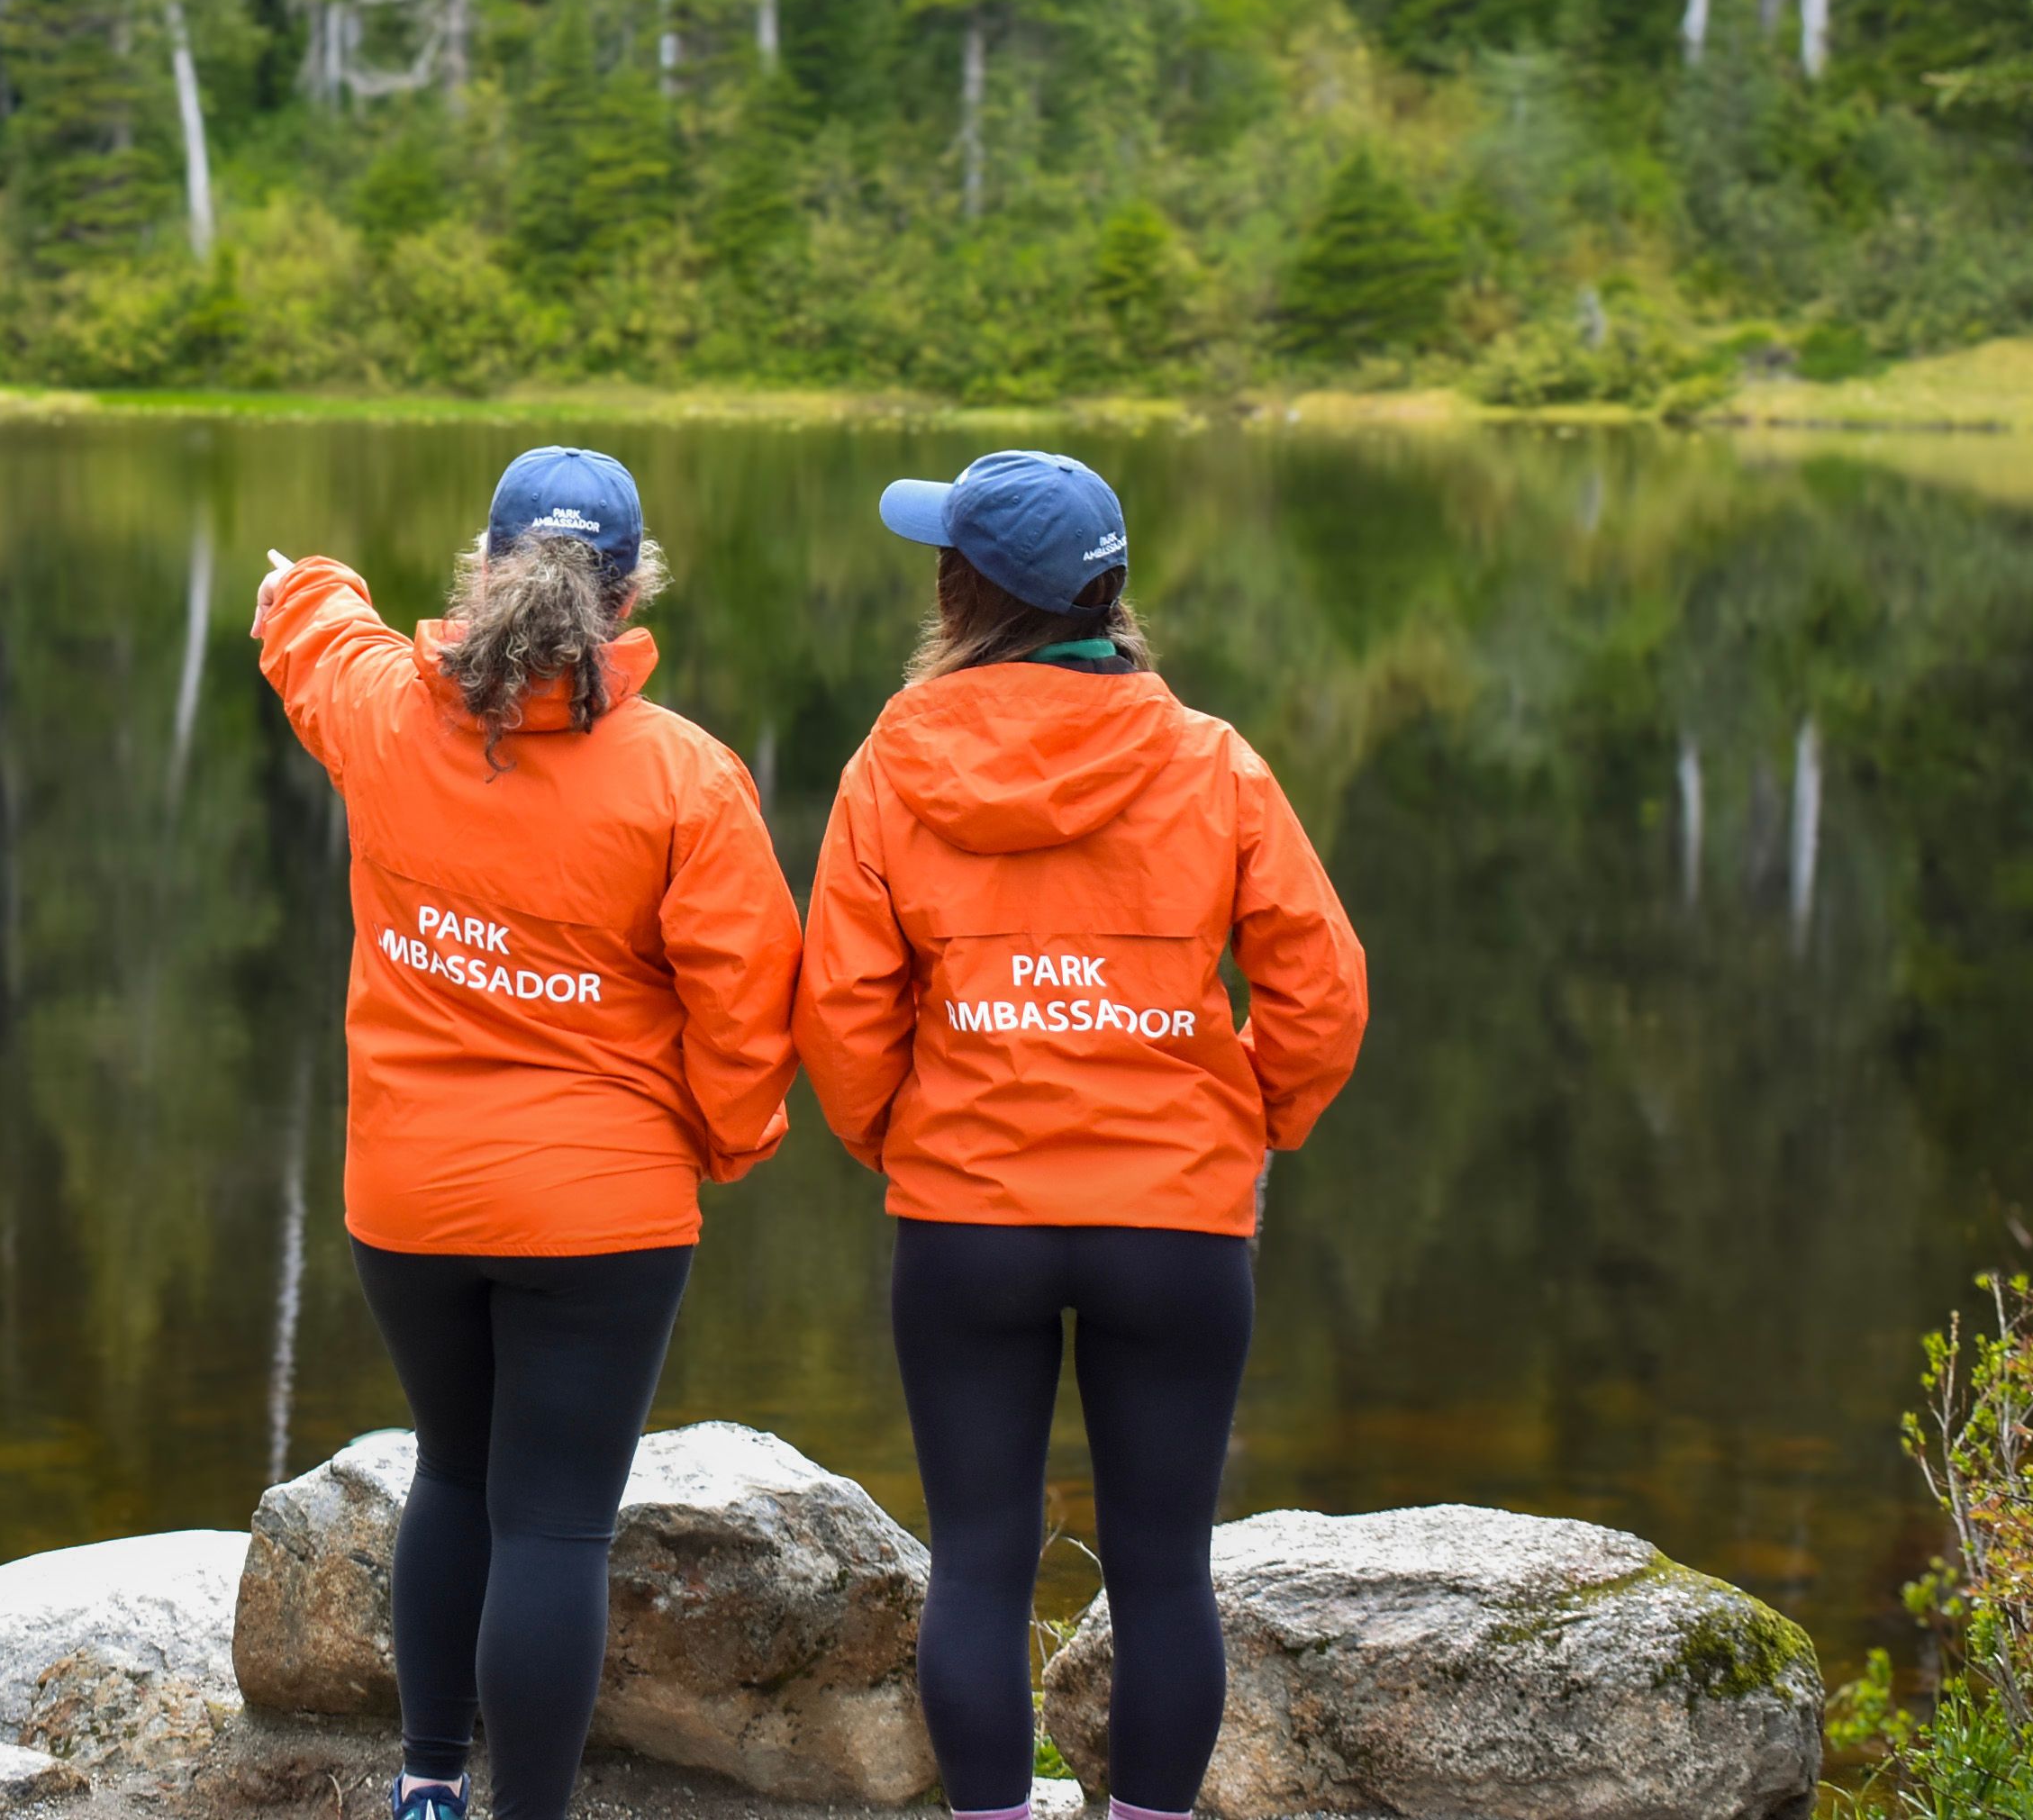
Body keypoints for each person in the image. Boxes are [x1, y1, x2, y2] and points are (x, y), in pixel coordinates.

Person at [794, 450, 1368, 1820]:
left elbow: (840, 1008)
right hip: (1173, 1218)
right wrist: (1253, 1122)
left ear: (965, 590)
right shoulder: (1212, 762)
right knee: (1166, 1570)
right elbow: (1321, 991)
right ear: (1107, 591)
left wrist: (899, 1140)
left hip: (967, 1218)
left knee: (980, 1562)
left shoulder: (894, 760)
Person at [252, 446, 803, 1820]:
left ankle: (428, 1786)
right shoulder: (684, 775)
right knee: (554, 1518)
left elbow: (317, 636)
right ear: (629, 592)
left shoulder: (385, 717)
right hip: (605, 1214)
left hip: (410, 1197)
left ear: (485, 569)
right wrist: (728, 1143)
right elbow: (746, 1010)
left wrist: (301, 580)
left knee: (452, 1469)